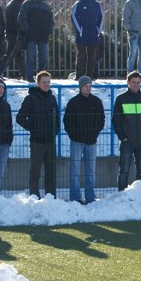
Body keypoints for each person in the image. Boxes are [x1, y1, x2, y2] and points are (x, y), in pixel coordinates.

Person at [16, 71, 59, 198]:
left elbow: (56, 118)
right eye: (43, 82)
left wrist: (55, 131)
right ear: (38, 83)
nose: (46, 85)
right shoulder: (30, 98)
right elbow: (20, 118)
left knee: (50, 171)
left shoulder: (52, 98)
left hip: (50, 141)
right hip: (37, 141)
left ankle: (50, 197)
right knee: (35, 171)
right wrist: (33, 128)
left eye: (48, 82)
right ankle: (34, 196)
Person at [63, 76, 105, 204]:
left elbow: (101, 120)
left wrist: (94, 134)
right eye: (85, 86)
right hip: (76, 141)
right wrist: (75, 136)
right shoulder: (73, 102)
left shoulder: (96, 102)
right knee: (74, 170)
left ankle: (90, 197)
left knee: (90, 171)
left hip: (91, 141)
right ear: (80, 87)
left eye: (90, 86)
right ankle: (75, 197)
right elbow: (68, 122)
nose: (88, 88)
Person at [112, 71, 141, 191]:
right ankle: (121, 194)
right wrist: (122, 136)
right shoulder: (121, 99)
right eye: (133, 82)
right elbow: (116, 119)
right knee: (124, 170)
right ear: (128, 82)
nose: (136, 84)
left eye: (138, 82)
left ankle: (140, 194)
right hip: (127, 141)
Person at [18, 0, 54, 83]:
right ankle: (29, 76)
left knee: (43, 57)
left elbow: (51, 20)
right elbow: (21, 18)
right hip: (31, 35)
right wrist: (27, 29)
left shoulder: (46, 7)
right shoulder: (27, 4)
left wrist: (50, 29)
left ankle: (41, 77)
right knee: (30, 56)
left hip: (43, 35)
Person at [71, 0, 104, 80]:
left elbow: (101, 17)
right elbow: (73, 16)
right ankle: (79, 76)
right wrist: (79, 29)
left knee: (92, 55)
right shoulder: (79, 4)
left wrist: (98, 30)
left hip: (93, 34)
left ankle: (90, 76)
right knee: (81, 55)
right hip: (82, 34)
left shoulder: (97, 5)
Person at [0, 0, 28, 79]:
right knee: (10, 54)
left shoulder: (12, 4)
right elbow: (18, 21)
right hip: (15, 34)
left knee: (17, 55)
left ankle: (25, 74)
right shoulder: (17, 5)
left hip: (11, 33)